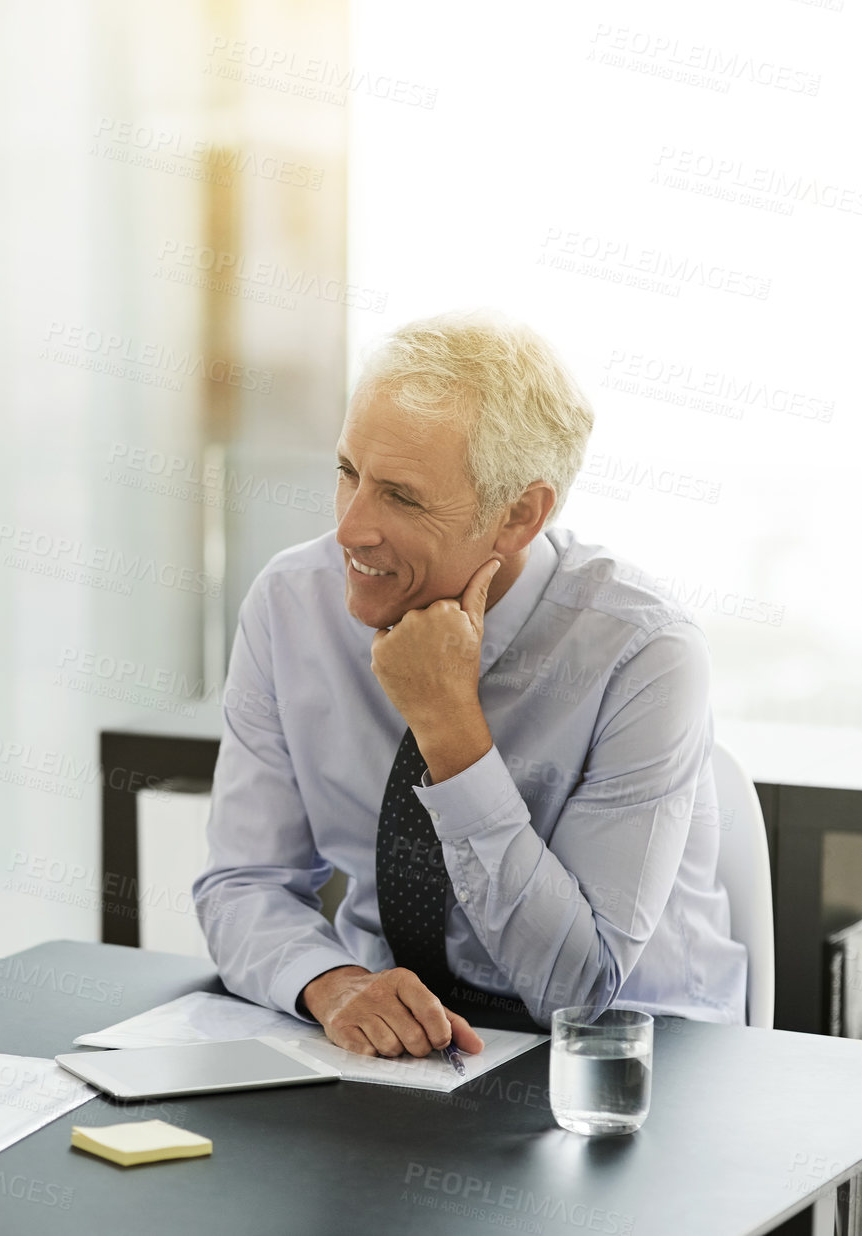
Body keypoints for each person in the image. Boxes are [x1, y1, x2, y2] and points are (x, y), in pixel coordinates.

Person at [191, 309, 747, 1060]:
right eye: (347, 472)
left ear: (518, 515)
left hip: (633, 1066)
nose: (350, 528)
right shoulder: (291, 603)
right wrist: (335, 983)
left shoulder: (641, 653)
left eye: (401, 496)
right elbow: (242, 881)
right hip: (402, 1055)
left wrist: (448, 726)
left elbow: (579, 991)